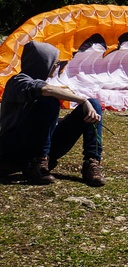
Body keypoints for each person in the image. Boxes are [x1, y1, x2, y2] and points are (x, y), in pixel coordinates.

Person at [0, 42, 106, 186]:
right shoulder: (18, 81)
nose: (57, 67)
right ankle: (37, 162)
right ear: (44, 62)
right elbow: (45, 90)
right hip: (14, 147)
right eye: (56, 63)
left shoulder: (39, 83)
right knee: (50, 100)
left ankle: (92, 163)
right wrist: (82, 100)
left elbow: (40, 121)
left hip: (40, 143)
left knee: (94, 104)